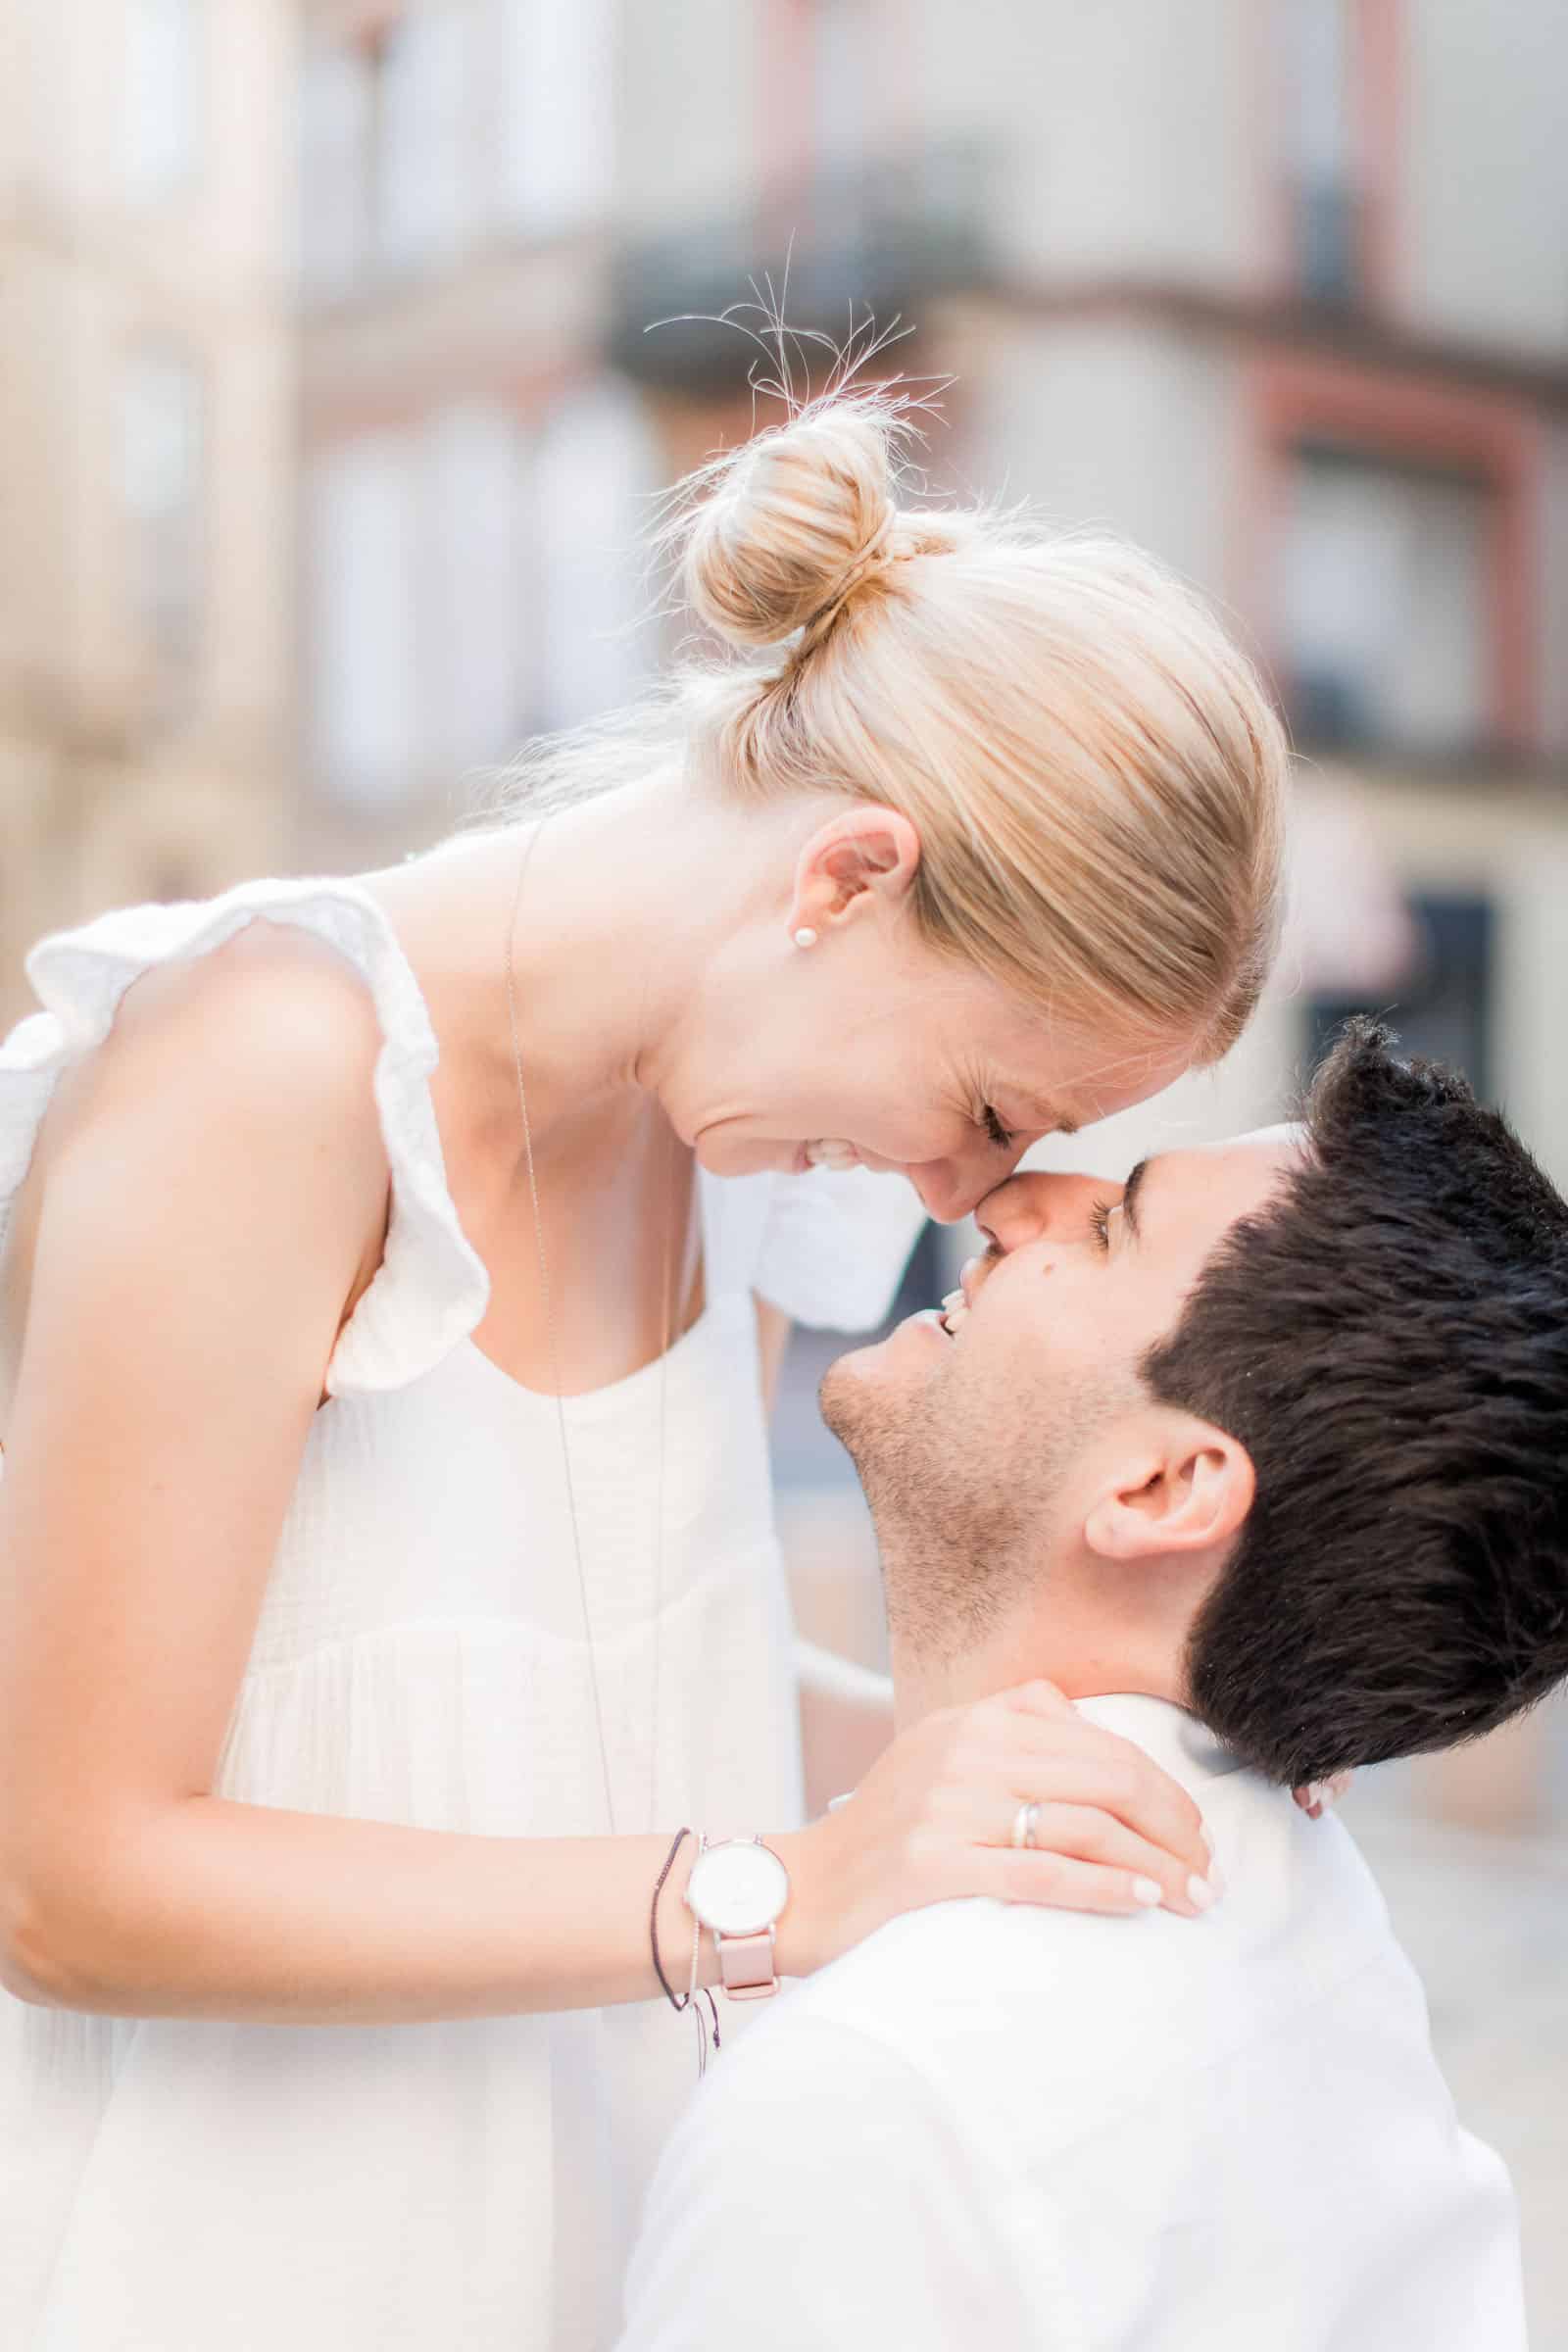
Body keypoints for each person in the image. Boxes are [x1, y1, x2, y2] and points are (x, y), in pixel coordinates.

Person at [0, 389, 1288, 2351]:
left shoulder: (753, 1155)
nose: (960, 1190)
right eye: (981, 1101)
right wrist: (779, 1887)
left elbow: (614, 1693)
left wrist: (1121, 1775)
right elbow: (63, 1881)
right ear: (846, 879)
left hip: (606, 2269)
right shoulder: (270, 1076)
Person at [620, 1021, 1568, 2350]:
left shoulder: (881, 2097)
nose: (1016, 1200)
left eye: (1116, 1227)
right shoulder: (1321, 1943)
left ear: (1163, 1487)